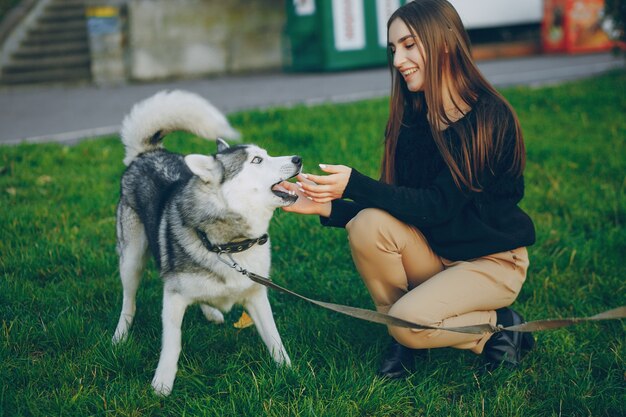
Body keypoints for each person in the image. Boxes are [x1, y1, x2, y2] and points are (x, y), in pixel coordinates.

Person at [281, 0, 536, 378]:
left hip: (491, 262)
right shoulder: (412, 120)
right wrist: (328, 208)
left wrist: (356, 183)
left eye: (409, 44)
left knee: (406, 321)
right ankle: (412, 334)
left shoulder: (489, 117)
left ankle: (495, 324)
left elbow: (438, 206)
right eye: (393, 49)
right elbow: (403, 209)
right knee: (368, 224)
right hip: (437, 252)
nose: (398, 59)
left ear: (444, 42)